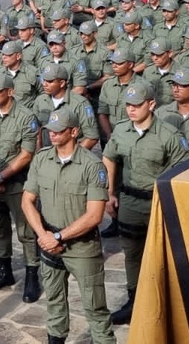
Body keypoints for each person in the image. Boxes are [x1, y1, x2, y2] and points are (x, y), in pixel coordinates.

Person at [21, 111, 116, 344]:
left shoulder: (93, 166)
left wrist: (58, 236)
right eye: (50, 131)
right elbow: (27, 201)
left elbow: (94, 215)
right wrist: (44, 235)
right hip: (49, 245)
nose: (52, 135)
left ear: (74, 132)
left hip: (81, 247)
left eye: (58, 131)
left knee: (95, 308)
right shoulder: (42, 159)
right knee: (54, 303)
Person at [101, 83, 189, 325]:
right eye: (128, 105)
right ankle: (134, 300)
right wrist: (109, 192)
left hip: (158, 204)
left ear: (151, 105)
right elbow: (109, 157)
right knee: (132, 253)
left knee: (163, 255)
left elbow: (182, 171)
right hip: (130, 202)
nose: (131, 110)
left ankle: (164, 303)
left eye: (137, 105)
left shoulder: (169, 135)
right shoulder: (121, 130)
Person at [0, 73, 42, 303]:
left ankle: (32, 275)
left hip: (18, 184)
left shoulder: (26, 117)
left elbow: (26, 155)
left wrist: (1, 176)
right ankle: (3, 271)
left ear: (10, 92)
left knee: (26, 231)